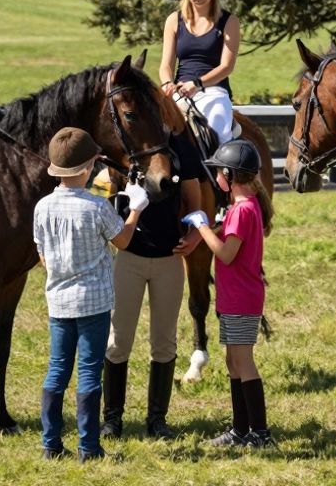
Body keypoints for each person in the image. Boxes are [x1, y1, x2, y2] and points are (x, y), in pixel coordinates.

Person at [33, 127, 149, 462]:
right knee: (88, 371)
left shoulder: (42, 207)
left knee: (57, 368)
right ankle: (88, 447)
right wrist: (136, 209)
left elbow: (42, 254)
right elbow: (123, 240)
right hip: (94, 301)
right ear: (87, 169)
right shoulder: (97, 208)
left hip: (58, 300)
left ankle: (50, 444)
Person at [101, 130, 210, 440]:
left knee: (164, 341)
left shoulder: (179, 148)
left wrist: (194, 235)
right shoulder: (124, 142)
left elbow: (193, 200)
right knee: (117, 340)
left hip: (168, 257)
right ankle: (112, 418)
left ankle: (157, 420)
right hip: (129, 255)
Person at [195, 139, 275, 449]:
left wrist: (203, 229)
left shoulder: (243, 211)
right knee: (232, 362)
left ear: (229, 174)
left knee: (243, 363)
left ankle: (260, 433)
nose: (216, 177)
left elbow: (227, 254)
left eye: (218, 171)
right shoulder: (243, 207)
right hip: (233, 298)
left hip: (242, 299)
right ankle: (241, 431)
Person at [160, 0, 241, 149]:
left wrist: (197, 84)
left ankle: (223, 174)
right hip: (179, 91)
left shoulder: (230, 22)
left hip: (214, 91)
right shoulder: (174, 20)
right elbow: (166, 64)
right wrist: (166, 84)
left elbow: (226, 66)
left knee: (219, 126)